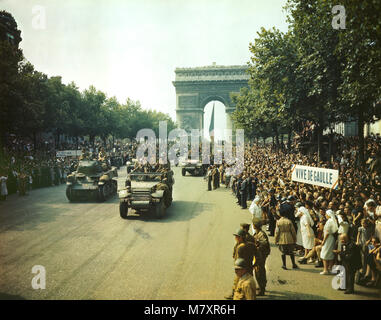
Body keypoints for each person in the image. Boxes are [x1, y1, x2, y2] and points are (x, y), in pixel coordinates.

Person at [274, 203, 298, 270]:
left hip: (282, 237)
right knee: (291, 251)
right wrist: (295, 239)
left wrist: (276, 240)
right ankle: (293, 264)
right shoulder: (289, 221)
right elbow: (293, 231)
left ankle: (284, 265)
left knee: (283, 252)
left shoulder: (278, 222)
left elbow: (277, 232)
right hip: (289, 237)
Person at [253, 221, 270, 296]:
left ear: (255, 225)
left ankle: (262, 289)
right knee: (258, 271)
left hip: (261, 255)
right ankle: (261, 286)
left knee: (260, 272)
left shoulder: (261, 234)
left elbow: (264, 243)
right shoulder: (257, 233)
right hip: (260, 255)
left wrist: (258, 244)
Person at [320, 210, 338, 275]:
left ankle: (325, 270)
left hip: (328, 239)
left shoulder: (329, 221)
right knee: (330, 254)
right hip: (331, 238)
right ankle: (330, 268)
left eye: (326, 214)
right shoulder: (333, 221)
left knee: (324, 254)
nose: (325, 215)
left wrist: (323, 241)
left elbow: (327, 232)